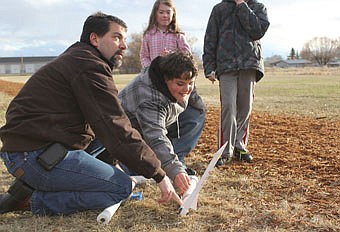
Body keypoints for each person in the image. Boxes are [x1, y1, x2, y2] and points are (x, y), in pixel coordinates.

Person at [0, 12, 182, 216]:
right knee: (121, 188)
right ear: (94, 39)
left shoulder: (81, 58)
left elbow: (103, 128)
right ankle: (33, 200)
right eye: (116, 37)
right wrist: (159, 175)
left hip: (33, 148)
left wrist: (112, 164)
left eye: (124, 39)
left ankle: (36, 183)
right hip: (32, 156)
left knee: (106, 137)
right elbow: (114, 126)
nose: (124, 45)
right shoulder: (89, 66)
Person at [140, 0, 206, 175]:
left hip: (178, 80)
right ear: (155, 14)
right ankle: (161, 156)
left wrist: (173, 58)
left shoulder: (178, 35)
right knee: (159, 119)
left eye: (168, 13)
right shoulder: (148, 35)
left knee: (196, 112)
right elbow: (144, 58)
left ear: (173, 15)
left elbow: (188, 56)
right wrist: (156, 63)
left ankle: (177, 155)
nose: (165, 16)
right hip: (157, 83)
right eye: (161, 12)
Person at [118, 51, 198, 195]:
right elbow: (155, 137)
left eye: (190, 83)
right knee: (126, 176)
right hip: (121, 138)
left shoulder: (166, 71)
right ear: (165, 78)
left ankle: (174, 158)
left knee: (197, 113)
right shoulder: (149, 98)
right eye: (180, 84)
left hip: (150, 124)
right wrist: (174, 170)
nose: (187, 89)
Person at [202, 0, 270, 166]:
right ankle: (225, 150)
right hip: (226, 66)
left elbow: (257, 31)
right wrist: (209, 67)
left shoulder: (258, 7)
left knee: (245, 107)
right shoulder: (219, 9)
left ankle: (240, 146)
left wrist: (242, 6)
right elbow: (210, 38)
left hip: (249, 64)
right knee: (228, 108)